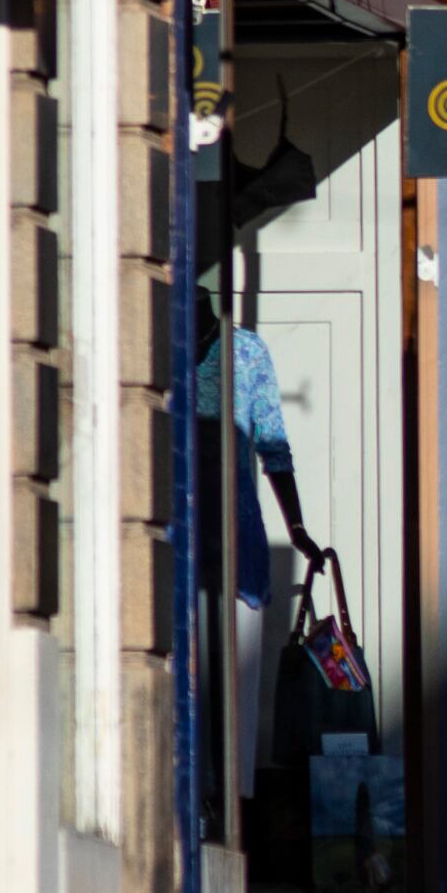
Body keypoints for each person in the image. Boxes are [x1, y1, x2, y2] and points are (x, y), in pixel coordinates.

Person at [194, 302, 321, 792]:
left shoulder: (245, 353)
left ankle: (235, 808)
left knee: (236, 693)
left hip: (235, 540)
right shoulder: (156, 342)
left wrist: (296, 528)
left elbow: (273, 444)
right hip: (171, 542)